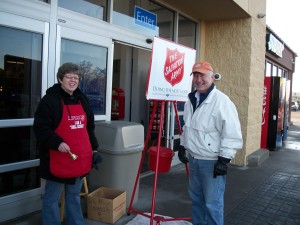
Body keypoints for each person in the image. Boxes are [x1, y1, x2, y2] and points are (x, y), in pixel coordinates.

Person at [33, 62, 101, 225]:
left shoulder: (82, 99)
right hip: (57, 158)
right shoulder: (49, 101)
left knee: (73, 196)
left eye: (76, 77)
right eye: (69, 77)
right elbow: (40, 128)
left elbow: (89, 127)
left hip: (78, 159)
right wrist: (57, 142)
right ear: (60, 79)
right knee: (51, 198)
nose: (73, 80)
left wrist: (94, 150)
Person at [179, 61, 243, 225]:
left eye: (202, 75)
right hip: (194, 160)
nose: (198, 79)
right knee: (196, 201)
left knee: (212, 204)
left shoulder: (222, 101)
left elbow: (232, 132)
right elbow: (188, 126)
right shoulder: (191, 99)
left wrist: (224, 159)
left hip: (211, 163)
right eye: (195, 75)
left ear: (212, 77)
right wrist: (183, 146)